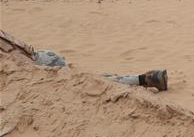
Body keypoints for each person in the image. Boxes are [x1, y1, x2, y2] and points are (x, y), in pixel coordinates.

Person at [0, 29, 168, 91]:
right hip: (43, 58)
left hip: (42, 66)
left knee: (89, 84)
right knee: (90, 79)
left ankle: (144, 79)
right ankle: (144, 78)